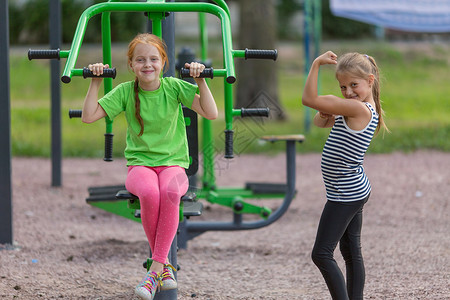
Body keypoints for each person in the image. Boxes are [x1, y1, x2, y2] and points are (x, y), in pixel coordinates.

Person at [82, 33, 218, 300]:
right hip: (140, 166)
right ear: (131, 65)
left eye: (154, 59)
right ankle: (163, 266)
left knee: (169, 192)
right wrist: (95, 82)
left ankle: (155, 268)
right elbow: (88, 117)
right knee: (150, 193)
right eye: (141, 60)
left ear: (163, 63)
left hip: (174, 166)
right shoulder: (124, 91)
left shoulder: (174, 87)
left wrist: (201, 80)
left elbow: (211, 112)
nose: (148, 65)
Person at [302, 51, 388, 300]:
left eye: (354, 85)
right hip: (352, 189)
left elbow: (309, 98)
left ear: (370, 81)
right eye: (343, 86)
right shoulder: (358, 108)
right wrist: (325, 113)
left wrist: (316, 64)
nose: (348, 91)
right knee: (351, 252)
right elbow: (320, 123)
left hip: (345, 194)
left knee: (321, 254)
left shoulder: (357, 109)